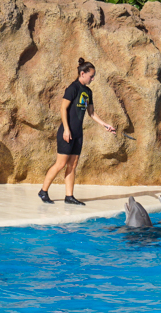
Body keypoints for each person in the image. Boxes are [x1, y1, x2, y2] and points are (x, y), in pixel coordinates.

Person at [39, 58, 116, 205]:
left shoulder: (88, 92)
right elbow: (63, 108)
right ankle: (43, 191)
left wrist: (105, 125)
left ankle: (69, 196)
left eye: (93, 76)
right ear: (82, 74)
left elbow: (91, 113)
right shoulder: (73, 88)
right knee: (60, 164)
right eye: (91, 76)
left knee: (72, 165)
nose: (92, 79)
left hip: (78, 133)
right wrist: (66, 130)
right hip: (67, 131)